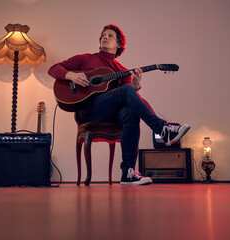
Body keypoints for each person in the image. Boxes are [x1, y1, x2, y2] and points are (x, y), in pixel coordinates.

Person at [48, 24, 190, 185]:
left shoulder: (122, 71)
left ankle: (128, 172)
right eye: (103, 35)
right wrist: (71, 76)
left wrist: (137, 86)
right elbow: (53, 69)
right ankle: (162, 128)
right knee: (126, 90)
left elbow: (133, 100)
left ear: (119, 45)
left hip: (111, 115)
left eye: (110, 36)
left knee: (130, 110)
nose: (105, 37)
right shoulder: (86, 58)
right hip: (89, 112)